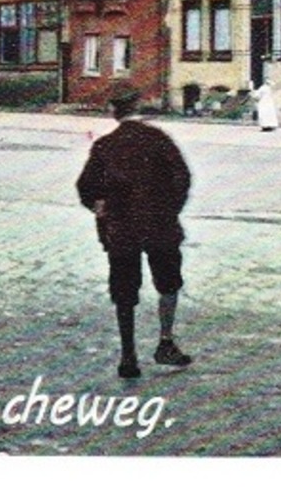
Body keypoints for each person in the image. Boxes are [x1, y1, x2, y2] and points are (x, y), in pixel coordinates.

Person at [77, 84, 194, 379]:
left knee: (124, 291)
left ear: (113, 111)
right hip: (160, 226)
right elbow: (182, 178)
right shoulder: (159, 140)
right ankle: (165, 341)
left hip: (121, 229)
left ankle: (128, 355)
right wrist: (169, 210)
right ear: (139, 106)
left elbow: (85, 187)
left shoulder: (104, 146)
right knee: (168, 283)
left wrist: (99, 206)